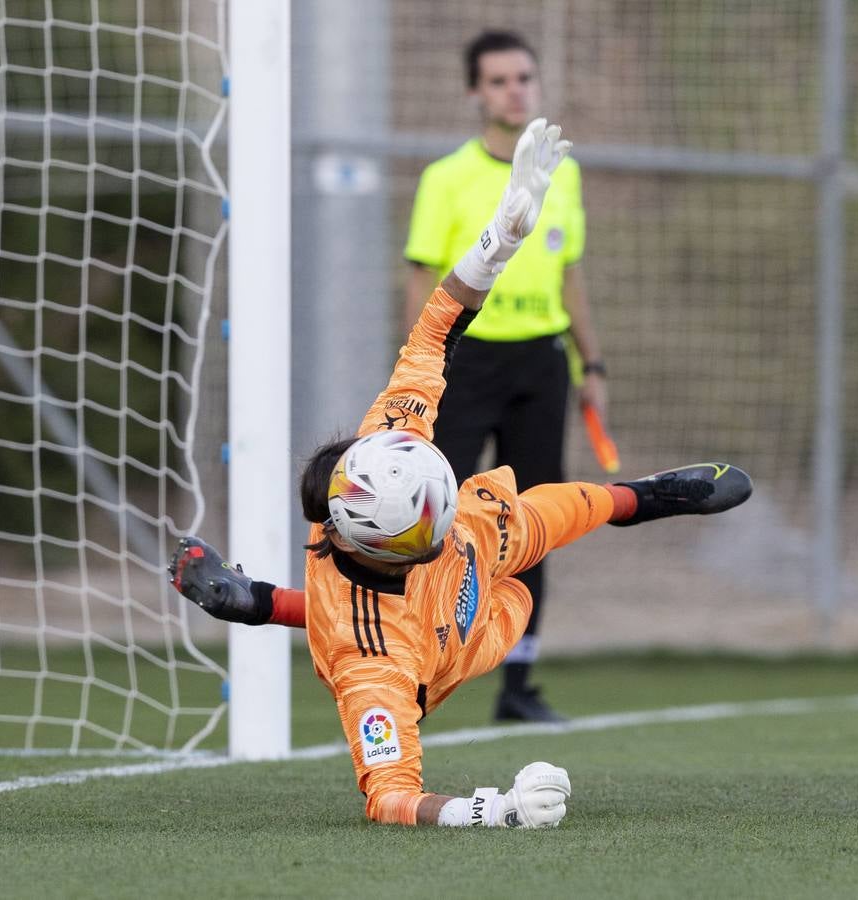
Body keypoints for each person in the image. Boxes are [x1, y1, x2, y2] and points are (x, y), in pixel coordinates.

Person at [169, 120, 752, 828]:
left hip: (478, 535)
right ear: (400, 547)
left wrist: (501, 238)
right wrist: (492, 810)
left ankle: (656, 493)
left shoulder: (391, 437)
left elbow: (438, 323)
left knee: (562, 506)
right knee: (510, 601)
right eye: (433, 533)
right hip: (460, 634)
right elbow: (389, 798)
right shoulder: (372, 665)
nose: (448, 536)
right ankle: (254, 601)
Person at [403, 30, 605, 722]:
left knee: (533, 521)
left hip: (540, 364)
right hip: (469, 362)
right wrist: (426, 362)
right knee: (433, 518)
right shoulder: (445, 178)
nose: (515, 90)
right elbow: (422, 278)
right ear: (474, 93)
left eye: (525, 77)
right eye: (499, 80)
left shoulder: (564, 173)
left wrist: (591, 362)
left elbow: (570, 272)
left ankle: (519, 684)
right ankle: (414, 663)